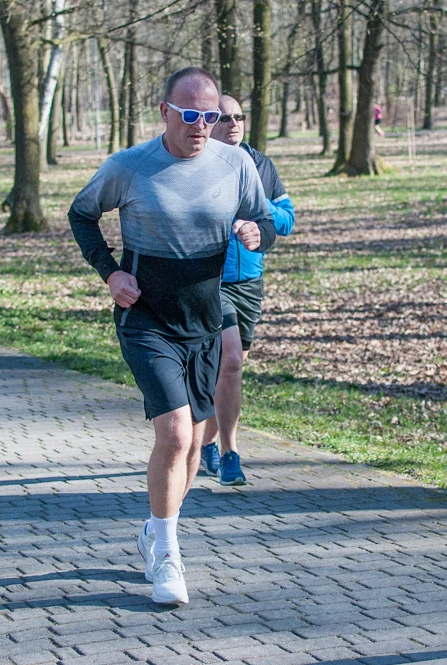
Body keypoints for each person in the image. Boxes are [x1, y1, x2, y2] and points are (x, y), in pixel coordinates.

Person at [68, 67, 275, 606]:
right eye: (191, 115)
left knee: (195, 442)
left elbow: (264, 219)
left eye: (210, 116)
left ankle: (157, 528)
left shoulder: (236, 163)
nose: (203, 126)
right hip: (147, 315)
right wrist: (110, 273)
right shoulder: (130, 166)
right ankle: (166, 551)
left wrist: (259, 232)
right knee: (178, 434)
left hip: (206, 315)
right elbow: (82, 215)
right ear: (165, 112)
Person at [197, 95, 295, 487]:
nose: (234, 123)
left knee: (230, 371)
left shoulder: (261, 164)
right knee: (231, 361)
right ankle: (230, 453)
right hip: (210, 281)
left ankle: (205, 443)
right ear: (208, 122)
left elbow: (286, 220)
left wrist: (259, 222)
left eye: (239, 117)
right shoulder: (197, 163)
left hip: (250, 283)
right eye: (224, 117)